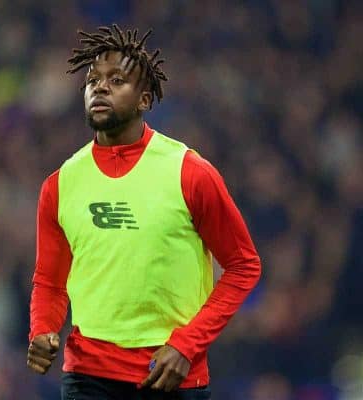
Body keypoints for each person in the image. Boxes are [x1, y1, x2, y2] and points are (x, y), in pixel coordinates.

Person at [27, 24, 261, 400]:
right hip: (88, 376)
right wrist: (42, 328)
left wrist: (188, 345)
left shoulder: (190, 172)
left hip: (170, 375)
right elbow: (50, 282)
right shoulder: (60, 184)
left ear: (145, 100)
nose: (100, 87)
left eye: (117, 80)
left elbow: (243, 266)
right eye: (92, 80)